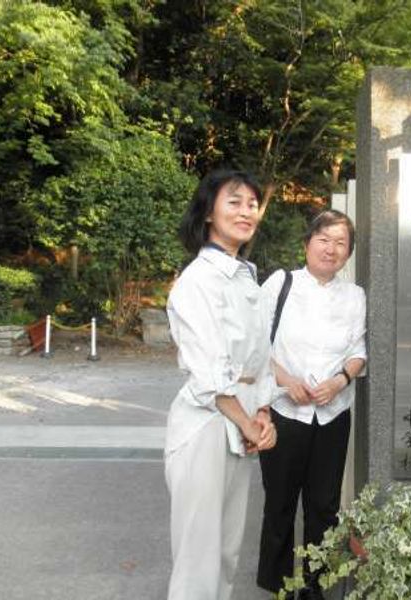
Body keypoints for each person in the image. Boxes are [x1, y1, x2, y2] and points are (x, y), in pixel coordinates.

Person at [164, 169, 277, 600]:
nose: (246, 211)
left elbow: (261, 357)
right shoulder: (197, 281)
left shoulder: (244, 276)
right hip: (206, 426)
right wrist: (248, 422)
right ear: (208, 211)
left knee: (227, 552)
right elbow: (209, 370)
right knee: (198, 558)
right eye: (234, 201)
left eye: (252, 204)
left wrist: (262, 413)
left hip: (241, 421)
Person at [256, 209, 367, 599]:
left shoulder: (355, 296)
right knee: (280, 503)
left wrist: (341, 380)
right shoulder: (280, 284)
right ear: (307, 244)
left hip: (333, 415)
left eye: (341, 243)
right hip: (286, 413)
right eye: (324, 239)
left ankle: (316, 587)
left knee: (324, 506)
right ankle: (278, 586)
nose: (331, 249)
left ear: (348, 253)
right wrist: (286, 381)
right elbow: (255, 346)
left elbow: (358, 352)